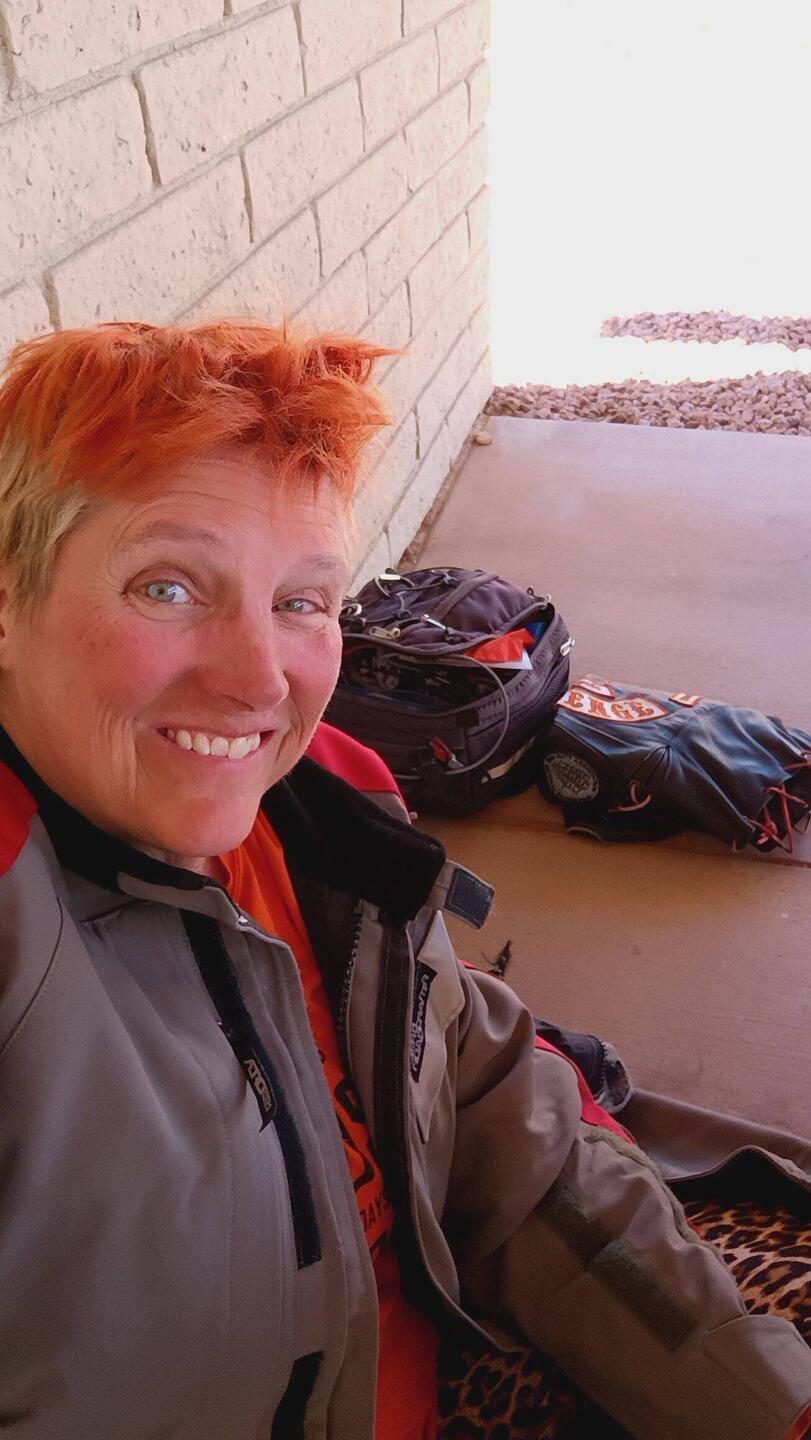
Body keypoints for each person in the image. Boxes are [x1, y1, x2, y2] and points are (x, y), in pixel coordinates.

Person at [0, 319, 808, 1440]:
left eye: (301, 601)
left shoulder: (320, 815)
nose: (257, 683)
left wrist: (762, 1405)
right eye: (167, 588)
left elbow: (484, 1100)